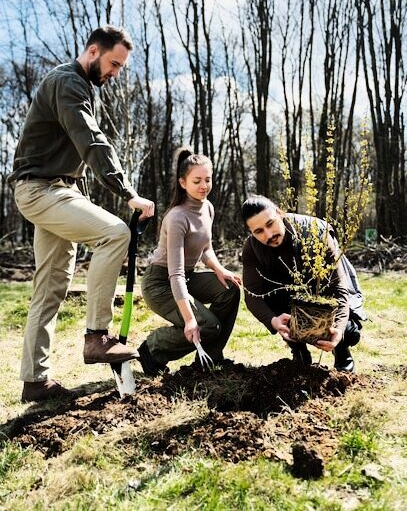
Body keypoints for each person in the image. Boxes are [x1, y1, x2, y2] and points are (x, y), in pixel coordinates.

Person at [8, 25, 155, 402]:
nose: (116, 73)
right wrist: (127, 192)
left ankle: (35, 382)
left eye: (121, 68)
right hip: (41, 189)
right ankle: (97, 337)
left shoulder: (79, 86)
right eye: (113, 64)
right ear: (93, 51)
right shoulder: (68, 82)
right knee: (116, 233)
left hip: (57, 189)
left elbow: (76, 158)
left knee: (50, 288)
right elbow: (91, 140)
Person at [138, 148, 241, 375]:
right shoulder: (177, 217)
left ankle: (210, 359)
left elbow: (205, 249)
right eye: (197, 181)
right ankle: (152, 348)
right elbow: (174, 274)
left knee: (230, 289)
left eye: (207, 179)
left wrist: (220, 269)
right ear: (183, 183)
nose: (204, 185)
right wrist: (190, 319)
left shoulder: (208, 208)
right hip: (161, 283)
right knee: (206, 325)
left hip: (187, 277)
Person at [241, 195, 365, 372]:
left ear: (280, 213)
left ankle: (341, 350)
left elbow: (339, 288)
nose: (269, 235)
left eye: (270, 224)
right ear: (251, 233)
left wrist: (337, 329)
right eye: (259, 231)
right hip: (290, 298)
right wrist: (273, 320)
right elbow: (252, 295)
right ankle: (298, 351)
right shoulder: (252, 248)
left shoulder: (315, 233)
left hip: (325, 292)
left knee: (349, 332)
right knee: (268, 292)